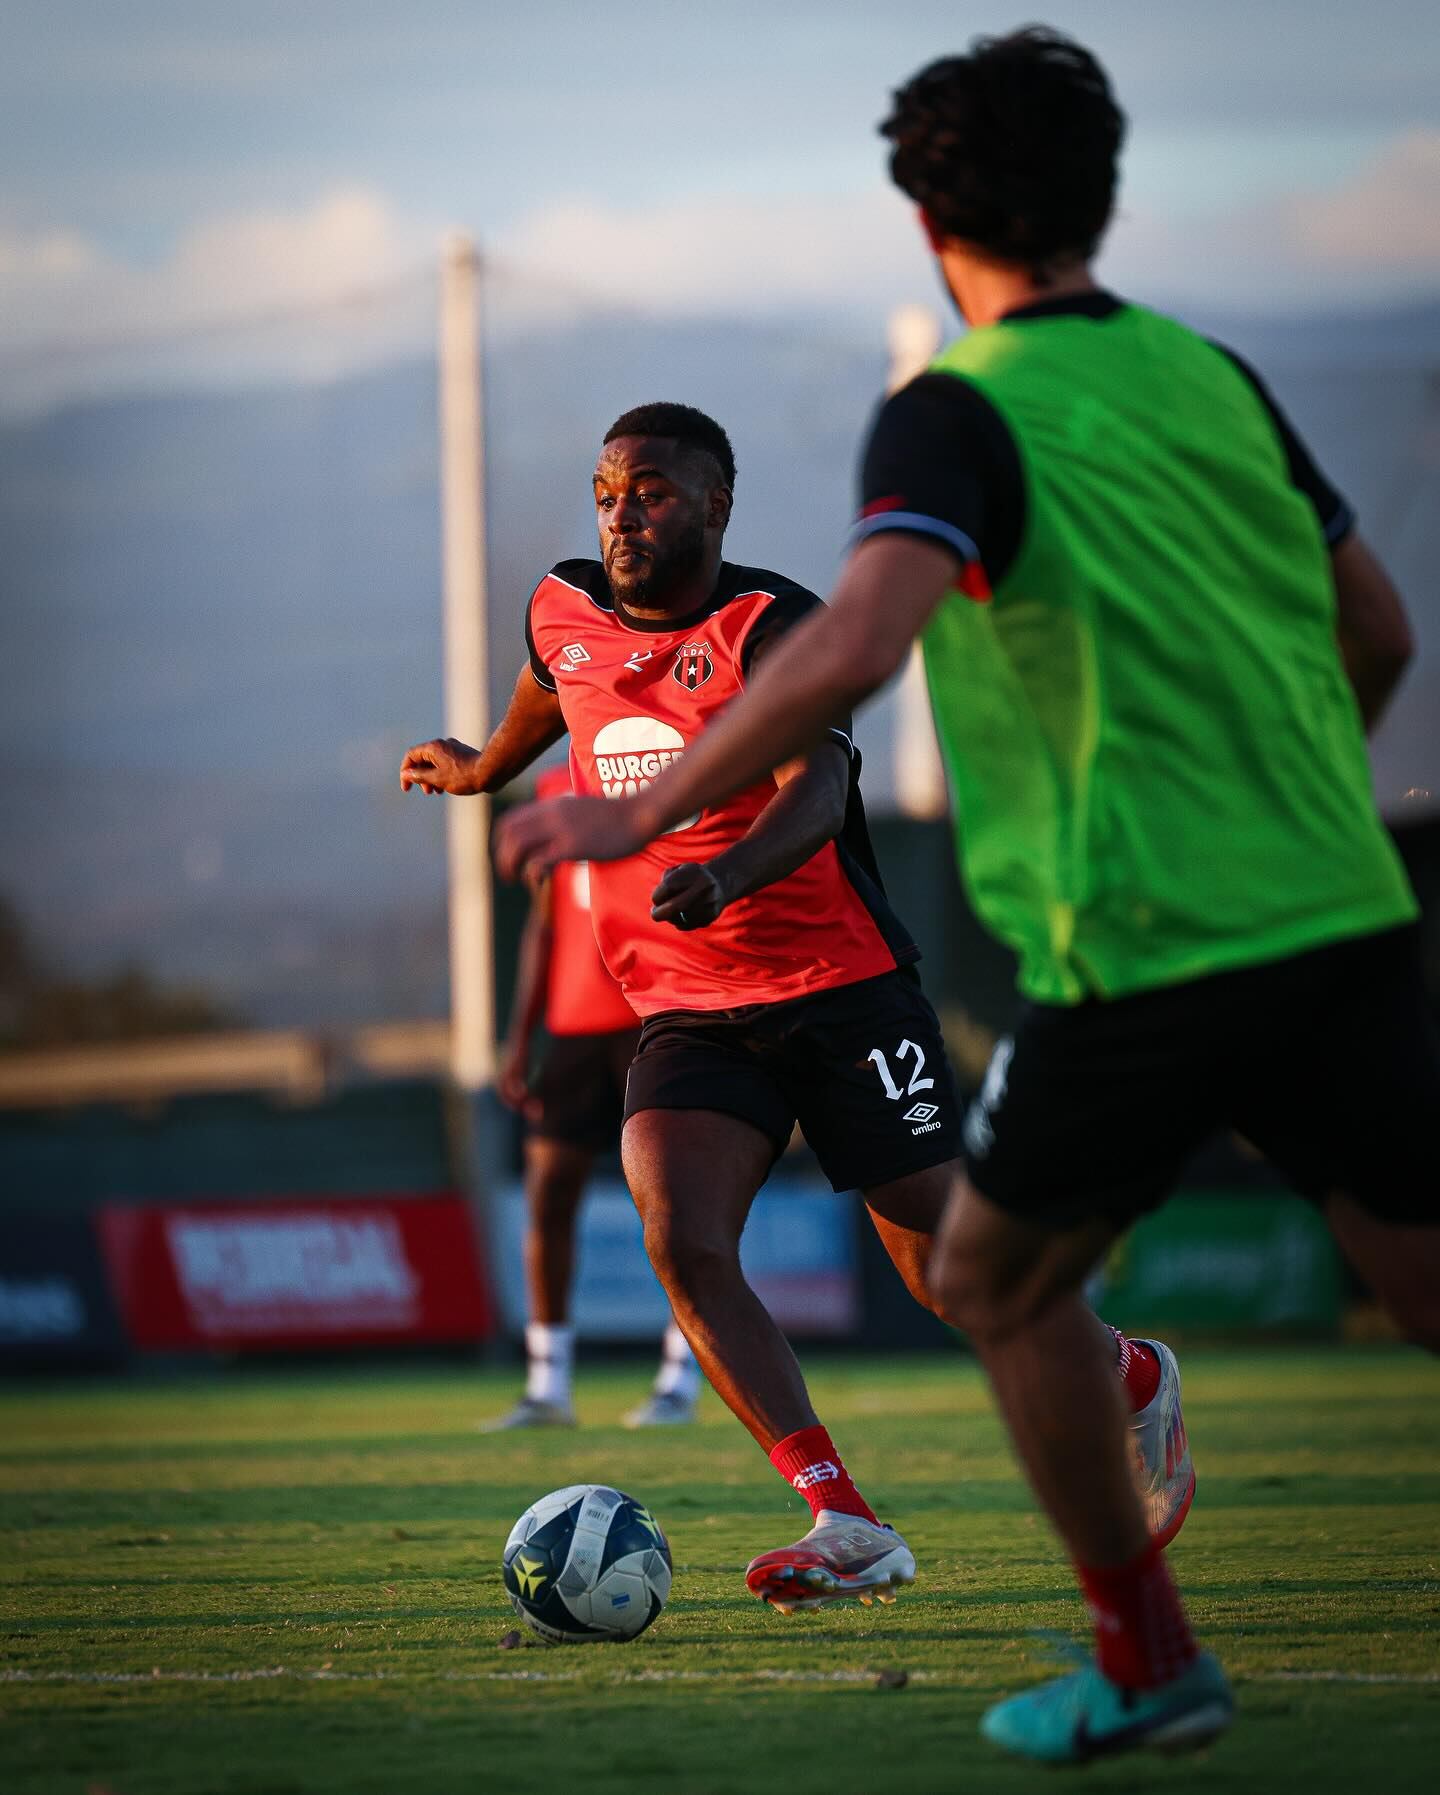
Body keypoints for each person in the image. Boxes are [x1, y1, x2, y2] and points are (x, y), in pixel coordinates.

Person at [493, 32, 1440, 1764]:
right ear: (1107, 193)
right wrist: (1291, 804)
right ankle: (884, 1519)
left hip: (1136, 934)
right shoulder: (1211, 371)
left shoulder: (959, 407)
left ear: (931, 216)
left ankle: (1147, 1658)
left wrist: (633, 823)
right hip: (1339, 904)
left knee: (994, 1286)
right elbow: (1379, 629)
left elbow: (854, 649)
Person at [403, 399, 1188, 1614]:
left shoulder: (772, 627)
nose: (623, 515)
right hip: (685, 1007)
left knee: (957, 1278)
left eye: (654, 492)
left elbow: (819, 789)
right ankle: (844, 1514)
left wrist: (728, 870)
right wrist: (483, 766)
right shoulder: (562, 607)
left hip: (841, 990)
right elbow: (552, 691)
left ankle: (1129, 1373)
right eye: (608, 492)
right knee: (681, 1235)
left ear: (717, 504)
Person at [483, 765, 701, 1431]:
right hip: (573, 1026)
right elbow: (545, 925)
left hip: (657, 1014)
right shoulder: (554, 790)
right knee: (548, 1195)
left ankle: (681, 1380)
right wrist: (521, 1036)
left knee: (681, 1211)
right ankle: (548, 1385)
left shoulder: (664, 767)